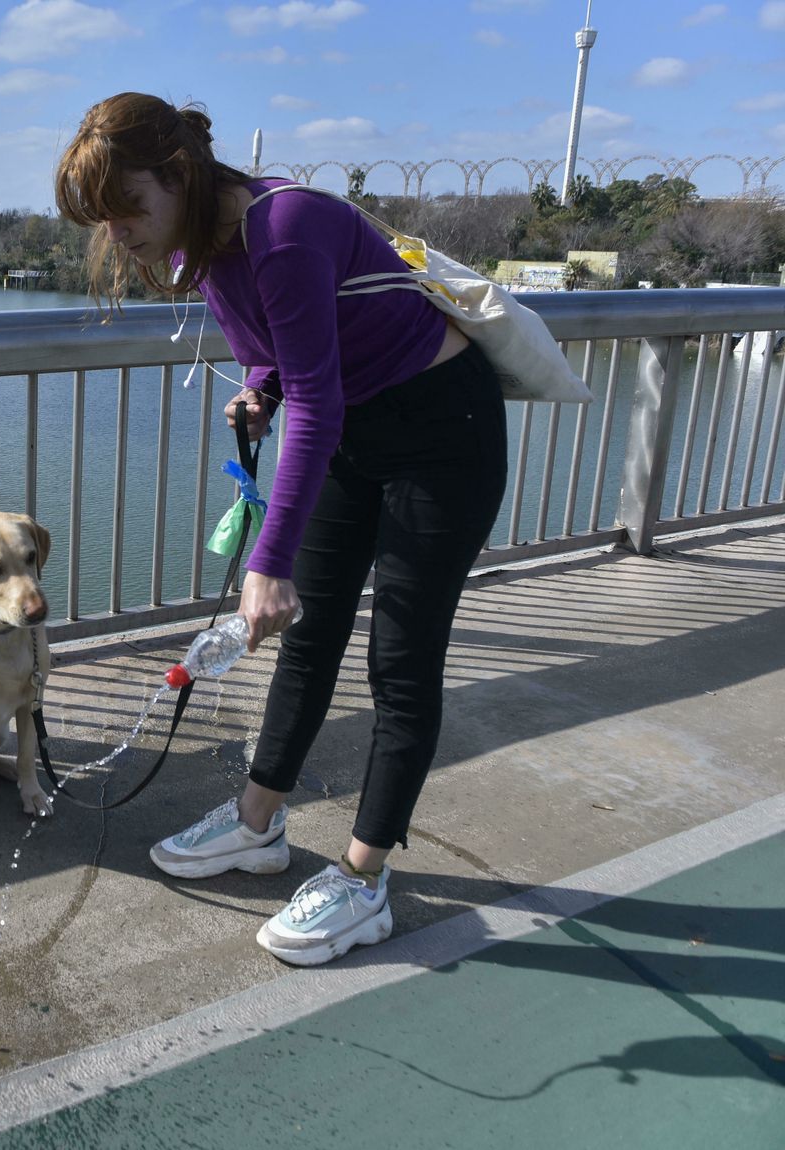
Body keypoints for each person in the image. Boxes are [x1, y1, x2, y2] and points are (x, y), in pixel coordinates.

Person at [54, 92, 508, 966]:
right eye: (102, 220)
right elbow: (291, 364)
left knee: (400, 661)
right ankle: (258, 827)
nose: (118, 234)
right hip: (355, 430)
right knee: (307, 639)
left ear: (180, 175)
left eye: (128, 209)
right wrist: (259, 386)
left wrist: (270, 557)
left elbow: (321, 398)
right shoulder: (207, 250)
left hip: (439, 434)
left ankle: (366, 880)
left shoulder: (286, 223)